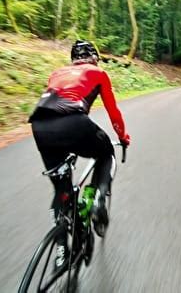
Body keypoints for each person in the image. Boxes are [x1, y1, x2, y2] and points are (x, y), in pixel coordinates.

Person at [29, 40, 130, 267]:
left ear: (73, 59)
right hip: (74, 123)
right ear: (94, 57)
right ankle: (97, 200)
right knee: (105, 155)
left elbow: (55, 105)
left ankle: (62, 251)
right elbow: (113, 112)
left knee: (61, 191)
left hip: (40, 127)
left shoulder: (57, 73)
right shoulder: (98, 72)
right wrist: (123, 137)